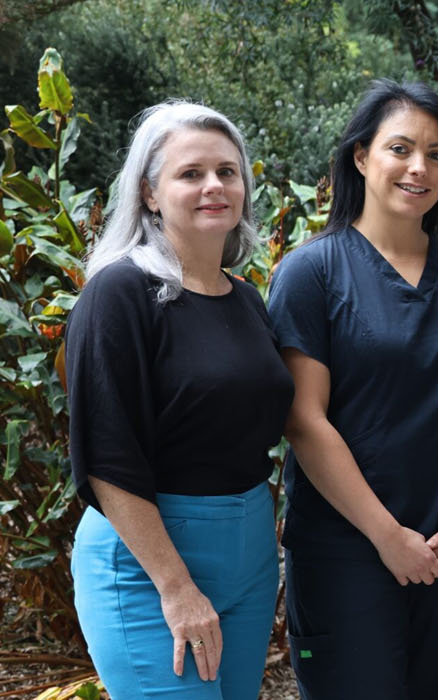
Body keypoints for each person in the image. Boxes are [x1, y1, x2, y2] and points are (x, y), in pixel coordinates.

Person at [266, 80, 438, 699]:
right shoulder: (312, 272)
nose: (420, 168)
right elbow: (304, 421)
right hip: (347, 551)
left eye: (437, 154)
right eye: (401, 148)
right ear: (361, 157)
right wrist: (386, 536)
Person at [67, 101, 292, 699]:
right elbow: (105, 452)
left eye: (228, 171)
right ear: (148, 193)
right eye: (190, 174)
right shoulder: (118, 293)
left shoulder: (246, 300)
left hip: (248, 556)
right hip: (149, 564)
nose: (214, 185)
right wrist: (175, 585)